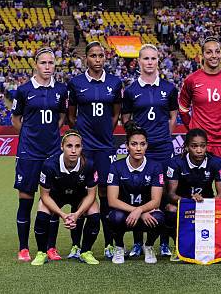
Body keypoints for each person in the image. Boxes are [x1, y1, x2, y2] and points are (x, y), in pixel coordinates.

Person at [121, 44, 178, 258]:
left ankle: (162, 241)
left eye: (153, 58)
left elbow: (172, 116)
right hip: (140, 151)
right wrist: (139, 140)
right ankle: (137, 242)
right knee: (139, 194)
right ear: (139, 62)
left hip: (162, 149)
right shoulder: (131, 91)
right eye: (146, 58)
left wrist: (163, 135)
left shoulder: (169, 88)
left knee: (162, 196)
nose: (150, 62)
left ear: (158, 61)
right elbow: (126, 119)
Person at [11, 47, 68, 262]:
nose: (47, 67)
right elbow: (16, 121)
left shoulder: (61, 90)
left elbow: (61, 117)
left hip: (52, 153)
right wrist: (30, 136)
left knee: (52, 203)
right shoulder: (24, 90)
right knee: (25, 201)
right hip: (28, 153)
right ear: (36, 64)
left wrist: (50, 134)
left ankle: (51, 247)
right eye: (43, 63)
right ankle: (24, 248)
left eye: (51, 63)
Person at [67, 41, 123, 259]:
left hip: (105, 147)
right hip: (84, 148)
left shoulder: (115, 82)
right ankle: (76, 245)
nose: (97, 60)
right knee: (81, 194)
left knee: (105, 194)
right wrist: (80, 133)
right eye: (93, 56)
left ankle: (109, 243)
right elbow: (71, 115)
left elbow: (116, 113)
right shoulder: (76, 83)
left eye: (101, 56)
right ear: (86, 58)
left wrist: (106, 132)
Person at [30, 130, 101, 266]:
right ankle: (42, 253)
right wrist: (63, 215)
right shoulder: (49, 165)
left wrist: (77, 214)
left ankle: (85, 251)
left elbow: (92, 195)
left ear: (82, 147)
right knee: (42, 213)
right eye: (69, 146)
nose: (73, 150)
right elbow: (44, 196)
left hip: (80, 196)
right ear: (62, 147)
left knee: (94, 213)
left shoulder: (89, 164)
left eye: (77, 146)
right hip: (56, 196)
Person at [178, 37, 221, 192]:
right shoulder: (192, 80)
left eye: (217, 52)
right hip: (201, 142)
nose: (214, 55)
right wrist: (193, 129)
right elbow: (183, 107)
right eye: (209, 52)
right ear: (202, 55)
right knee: (196, 187)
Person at [107, 123, 165, 264]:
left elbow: (156, 201)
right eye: (134, 144)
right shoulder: (116, 166)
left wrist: (140, 210)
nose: (138, 148)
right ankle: (119, 246)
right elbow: (112, 201)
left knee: (159, 217)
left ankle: (149, 246)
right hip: (126, 215)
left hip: (146, 213)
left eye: (142, 144)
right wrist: (136, 211)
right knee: (114, 217)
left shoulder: (155, 166)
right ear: (127, 146)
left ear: (146, 145)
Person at [165, 128, 221, 261]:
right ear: (187, 147)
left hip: (207, 205)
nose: (199, 150)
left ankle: (214, 245)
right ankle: (178, 245)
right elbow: (171, 195)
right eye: (194, 146)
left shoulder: (216, 162)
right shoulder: (175, 163)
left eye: (202, 146)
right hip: (183, 205)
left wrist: (204, 204)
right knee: (170, 209)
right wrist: (190, 202)